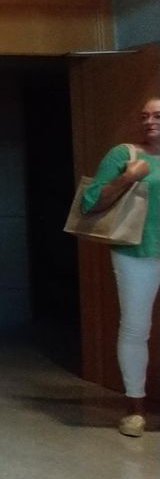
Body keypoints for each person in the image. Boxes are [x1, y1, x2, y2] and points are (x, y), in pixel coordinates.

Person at [81, 96, 160, 437]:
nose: (149, 121)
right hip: (136, 249)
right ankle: (134, 410)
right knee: (135, 327)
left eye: (157, 115)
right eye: (144, 116)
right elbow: (90, 202)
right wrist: (128, 177)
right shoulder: (124, 154)